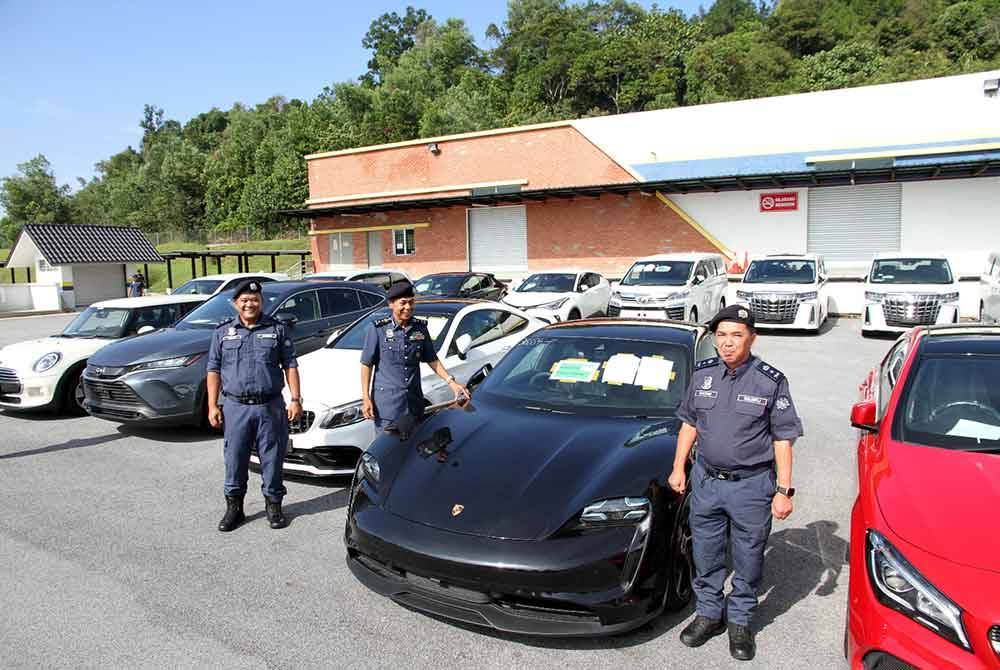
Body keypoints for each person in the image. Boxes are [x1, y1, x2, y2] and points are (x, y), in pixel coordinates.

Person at [668, 304, 803, 661]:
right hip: (707, 482)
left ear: (752, 338)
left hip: (752, 486)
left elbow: (782, 438)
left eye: (736, 335)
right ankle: (710, 614)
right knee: (706, 553)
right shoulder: (702, 374)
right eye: (722, 335)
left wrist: (783, 491)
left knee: (748, 555)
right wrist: (678, 467)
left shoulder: (770, 380)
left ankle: (740, 620)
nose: (727, 343)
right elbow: (689, 423)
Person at [206, 280, 302, 532]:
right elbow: (213, 370)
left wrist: (295, 399)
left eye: (255, 299)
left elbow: (290, 365)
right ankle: (234, 508)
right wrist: (212, 406)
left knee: (272, 457)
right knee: (234, 458)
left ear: (262, 302)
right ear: (235, 304)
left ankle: (274, 506)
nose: (250, 304)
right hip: (235, 407)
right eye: (244, 300)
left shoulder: (277, 330)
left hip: (270, 406)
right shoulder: (222, 332)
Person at [360, 281, 468, 432]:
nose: (408, 307)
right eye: (403, 303)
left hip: (414, 403)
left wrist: (452, 383)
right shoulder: (378, 329)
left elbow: (432, 359)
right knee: (388, 448)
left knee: (412, 447)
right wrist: (366, 397)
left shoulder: (420, 328)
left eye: (411, 302)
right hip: (387, 406)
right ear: (391, 304)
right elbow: (366, 364)